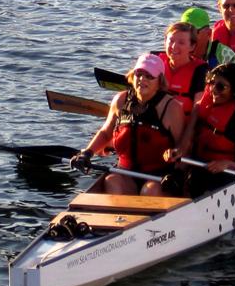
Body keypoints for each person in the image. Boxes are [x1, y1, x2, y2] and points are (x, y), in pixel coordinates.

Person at [74, 53, 185, 196]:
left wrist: (178, 173)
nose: (142, 79)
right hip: (125, 173)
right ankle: (119, 216)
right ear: (133, 76)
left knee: (150, 191)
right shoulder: (120, 100)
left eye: (149, 76)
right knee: (112, 181)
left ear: (160, 81)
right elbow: (106, 133)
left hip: (159, 177)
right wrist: (87, 154)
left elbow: (184, 146)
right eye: (139, 74)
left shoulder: (171, 107)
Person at [178, 63, 235, 196]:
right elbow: (184, 145)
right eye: (211, 83)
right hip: (198, 167)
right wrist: (175, 152)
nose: (213, 90)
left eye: (221, 87)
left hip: (227, 173)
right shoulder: (199, 108)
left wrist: (226, 164)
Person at [156, 22, 208, 115]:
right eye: (171, 41)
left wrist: (189, 129)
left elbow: (198, 108)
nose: (174, 46)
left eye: (181, 42)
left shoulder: (200, 71)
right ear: (165, 42)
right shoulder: (156, 63)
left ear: (192, 46)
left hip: (183, 122)